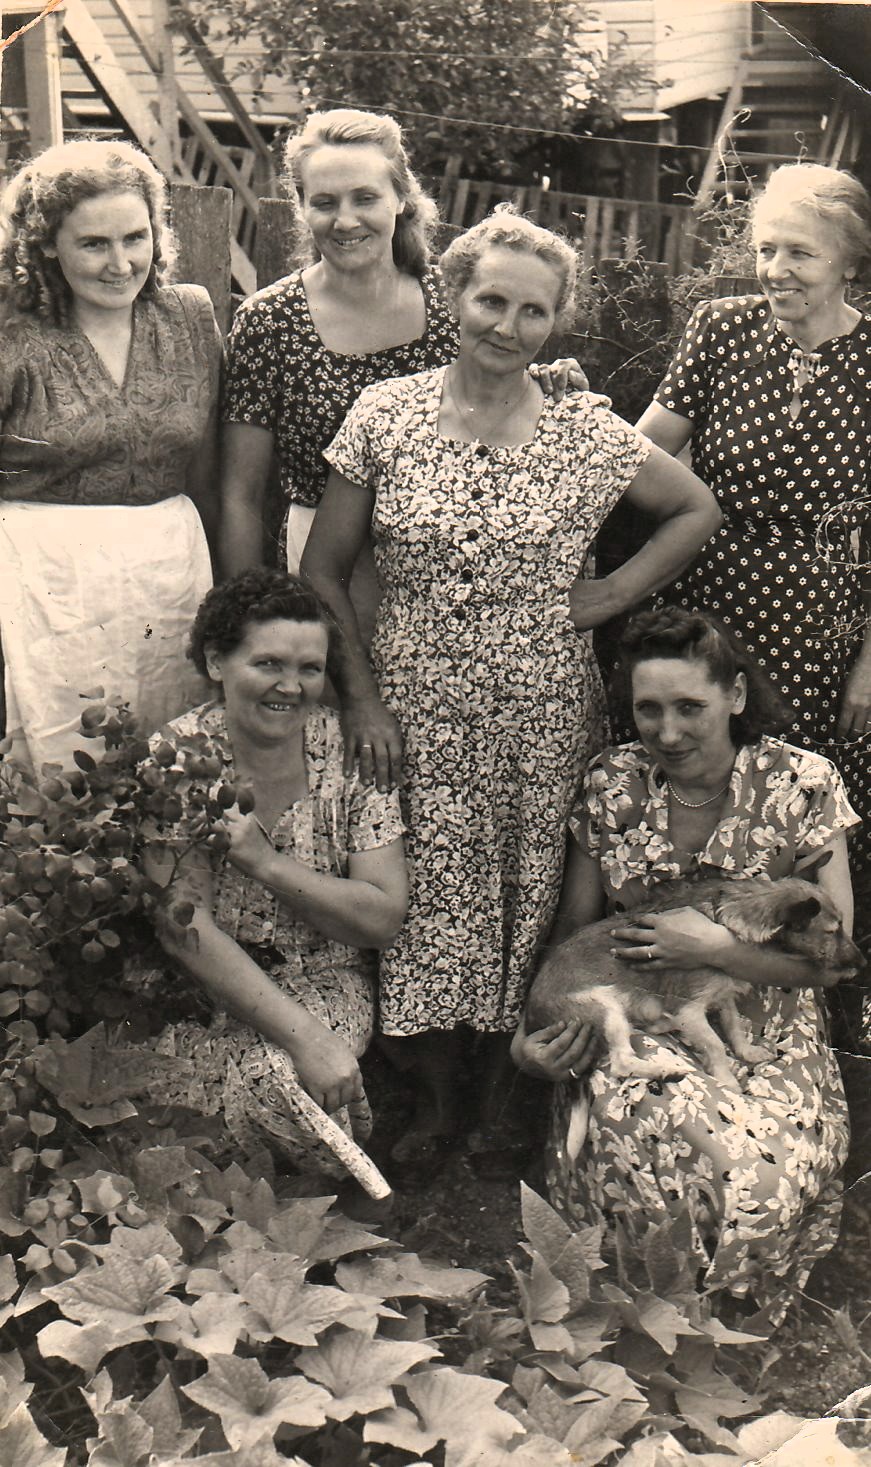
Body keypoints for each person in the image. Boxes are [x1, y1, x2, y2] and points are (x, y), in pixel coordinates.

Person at [300, 207, 722, 1176]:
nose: (507, 325)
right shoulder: (386, 416)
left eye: (534, 312)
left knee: (531, 897)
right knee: (424, 897)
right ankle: (429, 1099)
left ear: (556, 323)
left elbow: (694, 508)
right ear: (452, 296)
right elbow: (325, 570)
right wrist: (361, 701)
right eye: (490, 299)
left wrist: (611, 592)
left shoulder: (584, 432)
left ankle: (506, 1099)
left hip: (543, 709)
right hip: (409, 705)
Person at [513, 608, 859, 1319]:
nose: (666, 731)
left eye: (688, 707)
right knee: (658, 1141)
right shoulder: (613, 781)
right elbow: (574, 931)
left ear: (734, 695)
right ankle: (651, 1297)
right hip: (635, 1020)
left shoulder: (801, 781)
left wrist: (716, 950)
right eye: (648, 709)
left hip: (770, 1025)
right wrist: (527, 1037)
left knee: (754, 1180)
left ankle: (719, 1294)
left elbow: (828, 962)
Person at [219, 106, 584, 631]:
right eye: (324, 202)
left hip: (448, 561)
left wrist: (550, 384)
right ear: (301, 208)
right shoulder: (269, 322)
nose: (346, 221)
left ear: (401, 198)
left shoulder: (456, 302)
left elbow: (505, 403)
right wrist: (246, 622)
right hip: (324, 570)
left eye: (365, 198)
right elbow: (240, 496)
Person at [136, 570, 408, 1200]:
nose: (292, 686)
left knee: (270, 1081)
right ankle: (289, 1194)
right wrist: (306, 1036)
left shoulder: (350, 752)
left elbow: (382, 915)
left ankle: (330, 1199)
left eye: (310, 668)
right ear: (215, 661)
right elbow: (184, 931)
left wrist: (266, 863)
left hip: (325, 975)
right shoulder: (177, 758)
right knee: (196, 1097)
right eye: (268, 663)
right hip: (206, 984)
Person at [637, 162, 871, 863]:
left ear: (850, 261)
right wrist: (567, 410)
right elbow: (637, 455)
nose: (774, 269)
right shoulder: (720, 329)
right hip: (705, 608)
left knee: (797, 822)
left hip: (819, 630)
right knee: (692, 788)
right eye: (765, 248)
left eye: (799, 251)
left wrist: (869, 663)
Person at [0, 139, 222, 770]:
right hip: (42, 588)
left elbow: (211, 474)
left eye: (135, 237)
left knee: (169, 766)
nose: (121, 263)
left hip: (171, 578)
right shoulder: (11, 334)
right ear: (45, 245)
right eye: (94, 244)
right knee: (57, 772)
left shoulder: (188, 317)